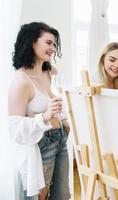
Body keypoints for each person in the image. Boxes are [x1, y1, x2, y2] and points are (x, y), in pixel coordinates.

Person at [8, 22, 70, 200]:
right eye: (49, 43)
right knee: (40, 196)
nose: (53, 48)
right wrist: (44, 117)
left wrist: (62, 119)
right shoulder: (21, 81)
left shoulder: (47, 72)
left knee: (62, 195)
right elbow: (14, 129)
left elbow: (50, 102)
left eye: (54, 44)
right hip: (41, 145)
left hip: (60, 139)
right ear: (32, 42)